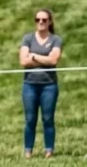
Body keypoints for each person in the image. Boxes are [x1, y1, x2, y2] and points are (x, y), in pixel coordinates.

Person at [19, 8, 62, 158]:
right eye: (38, 20)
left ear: (50, 22)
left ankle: (49, 150)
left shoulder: (55, 39)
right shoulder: (28, 38)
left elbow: (54, 60)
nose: (41, 22)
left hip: (49, 85)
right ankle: (28, 151)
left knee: (48, 118)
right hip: (29, 85)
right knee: (30, 119)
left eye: (44, 20)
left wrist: (35, 56)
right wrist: (45, 58)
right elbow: (23, 61)